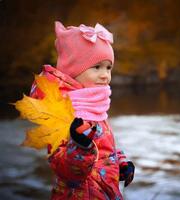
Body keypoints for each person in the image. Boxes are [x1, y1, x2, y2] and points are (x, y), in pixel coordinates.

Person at [30, 21, 135, 200]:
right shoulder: (62, 111)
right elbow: (65, 170)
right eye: (96, 67)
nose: (105, 75)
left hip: (105, 191)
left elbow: (104, 145)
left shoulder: (93, 103)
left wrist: (120, 162)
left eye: (108, 67)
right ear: (73, 69)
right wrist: (79, 146)